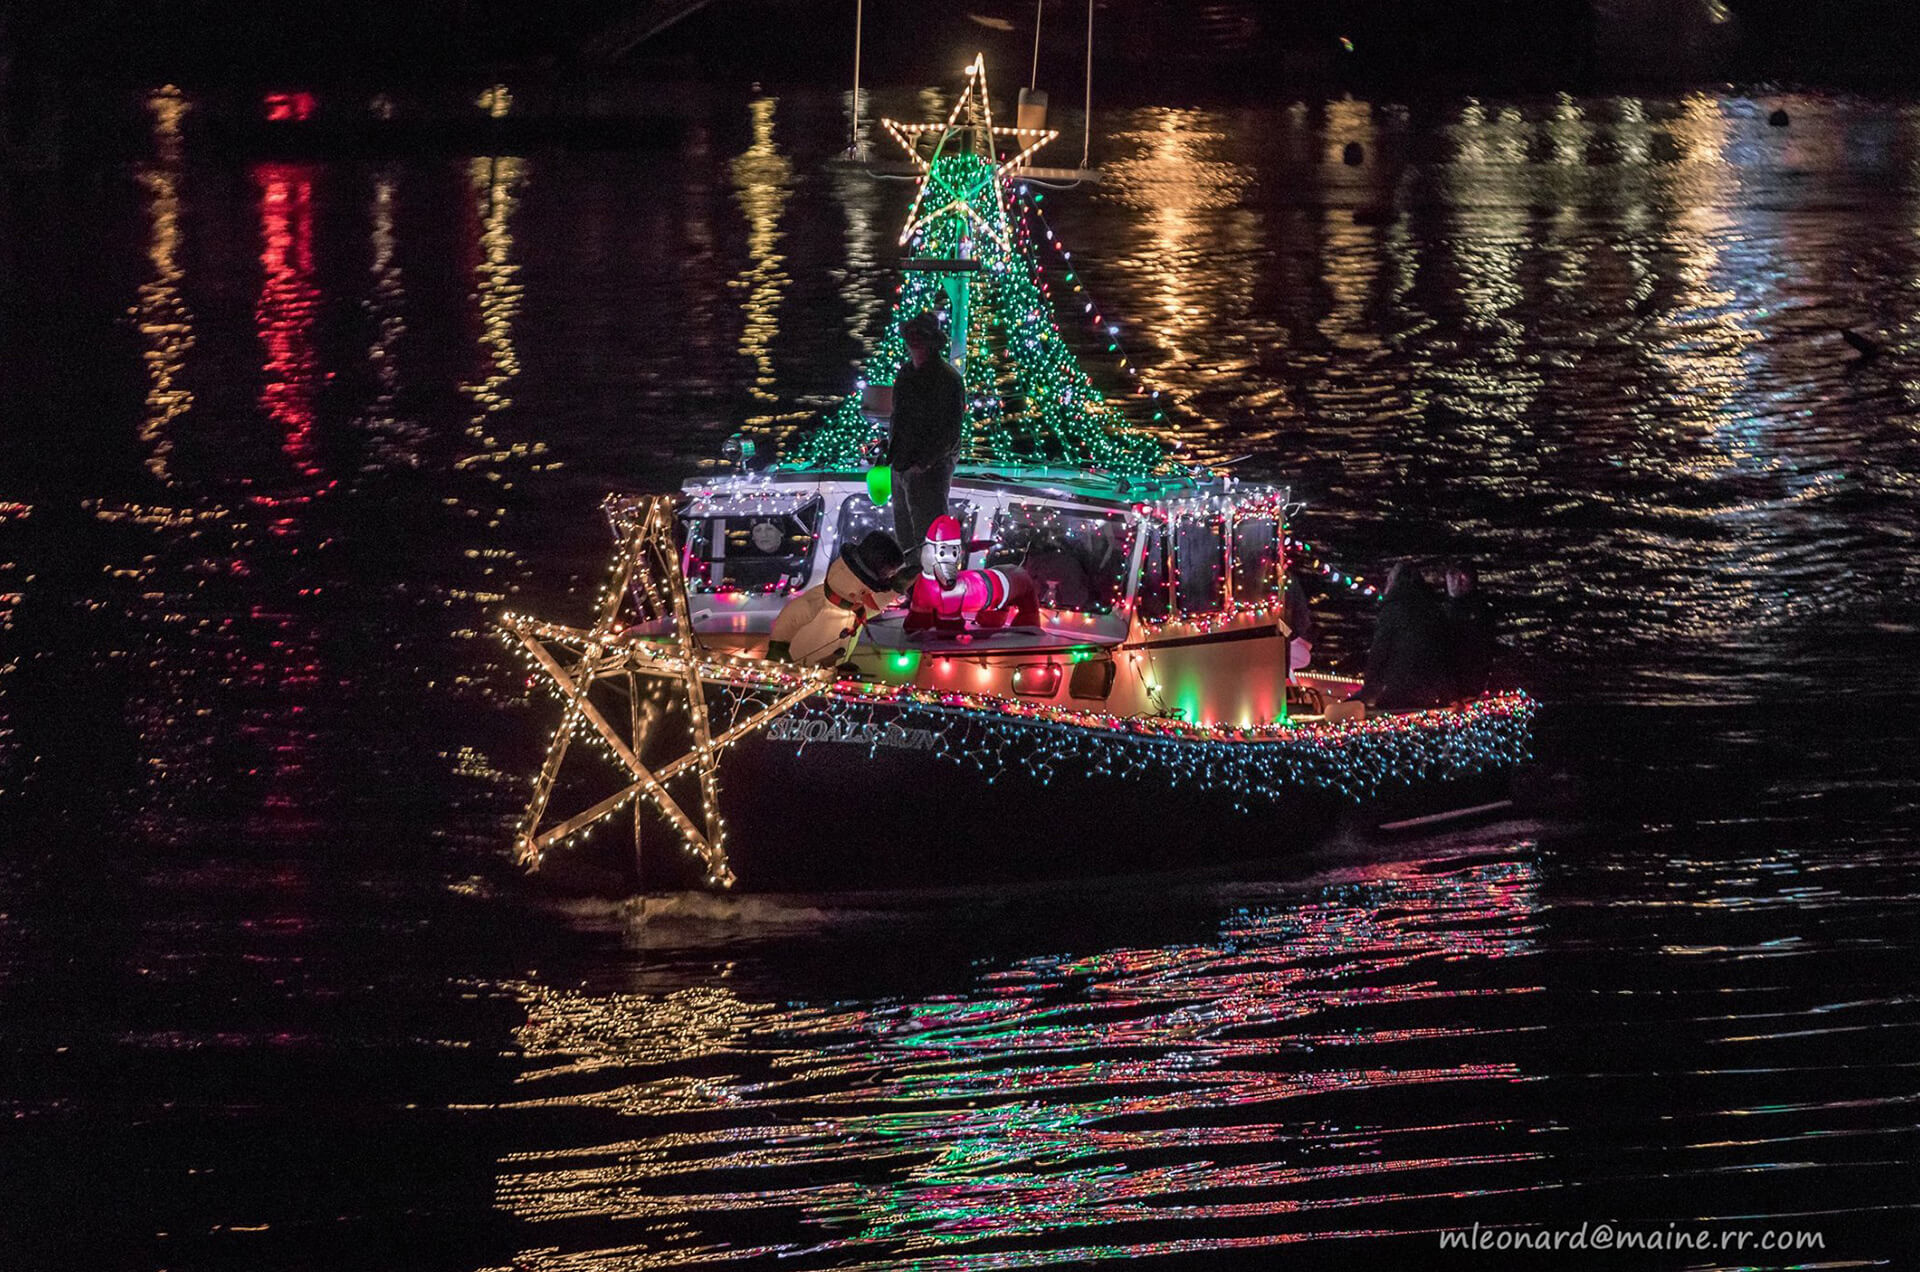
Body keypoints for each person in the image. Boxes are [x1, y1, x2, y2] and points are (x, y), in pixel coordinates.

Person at [885, 311, 966, 563]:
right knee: (905, 534)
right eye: (911, 336)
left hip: (929, 468)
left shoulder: (948, 379)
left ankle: (933, 588)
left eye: (920, 337)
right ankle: (911, 586)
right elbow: (898, 417)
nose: (914, 342)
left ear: (932, 342)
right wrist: (890, 456)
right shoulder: (906, 373)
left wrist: (924, 463)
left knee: (930, 532)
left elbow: (950, 431)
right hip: (901, 463)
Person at [1357, 560, 1455, 710]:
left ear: (1393, 582)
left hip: (1399, 686)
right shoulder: (1433, 608)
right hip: (1430, 688)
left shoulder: (1394, 608)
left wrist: (1369, 685)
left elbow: (1379, 650)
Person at [1441, 560, 1496, 698]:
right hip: (1456, 677)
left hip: (1466, 677)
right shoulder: (1447, 607)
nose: (1452, 583)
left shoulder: (1477, 610)